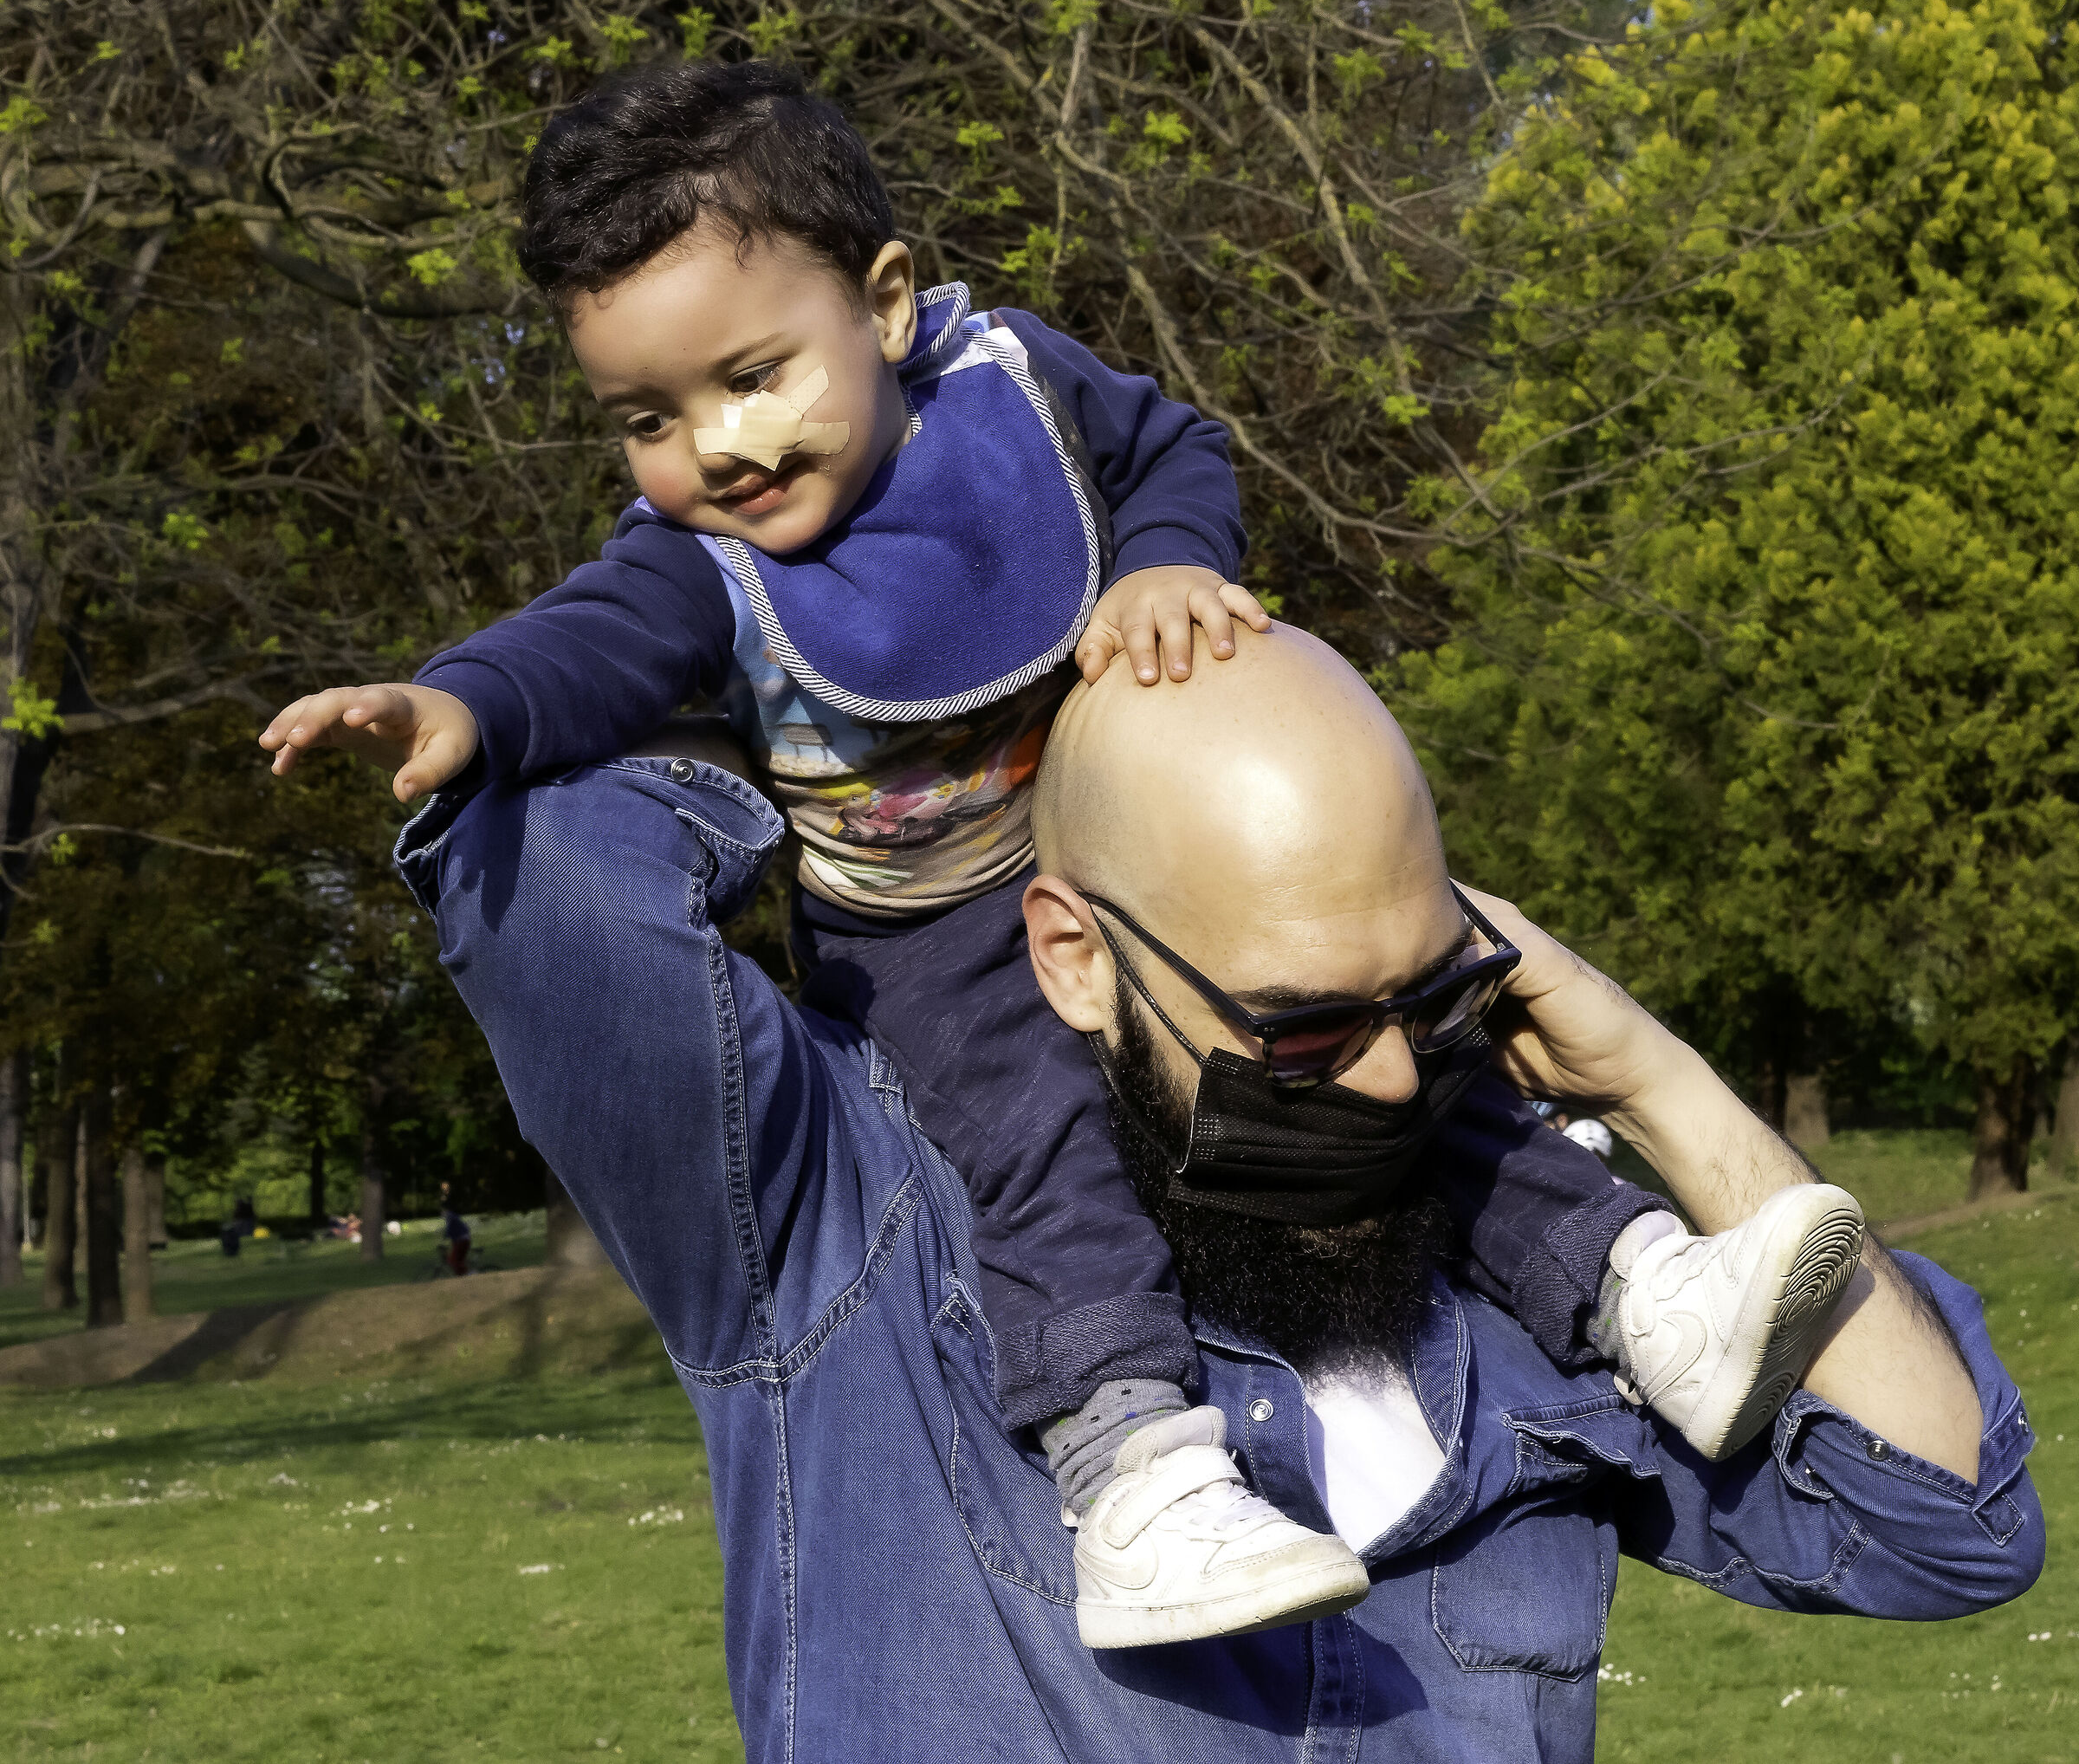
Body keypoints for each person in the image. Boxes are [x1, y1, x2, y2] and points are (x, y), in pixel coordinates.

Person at [265, 59, 1863, 1647]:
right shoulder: (702, 567)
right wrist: (458, 699)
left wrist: (1165, 566)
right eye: (648, 419)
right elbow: (584, 644)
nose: (717, 446)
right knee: (1044, 1155)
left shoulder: (1015, 389)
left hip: (1133, 862)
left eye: (751, 375)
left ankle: (1643, 1287)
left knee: (1363, 1056)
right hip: (926, 936)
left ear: (886, 303)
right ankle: (1138, 1475)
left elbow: (1176, 452)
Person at [385, 624, 2038, 1760]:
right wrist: (802, 658)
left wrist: (1652, 1082)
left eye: (1433, 999)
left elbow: (1947, 1525)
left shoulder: (1542, 1297)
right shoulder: (837, 1221)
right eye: (1303, 1029)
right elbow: (543, 885)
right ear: (1072, 957)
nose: (1390, 1079)